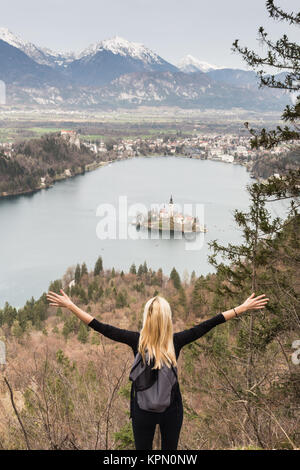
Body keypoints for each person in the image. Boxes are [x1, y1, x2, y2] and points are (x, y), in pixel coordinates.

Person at [46, 289, 269, 450]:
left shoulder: (136, 341)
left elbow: (100, 327)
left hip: (142, 410)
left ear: (147, 318)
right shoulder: (177, 341)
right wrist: (242, 308)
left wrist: (71, 306)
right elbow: (210, 323)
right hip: (172, 410)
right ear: (167, 319)